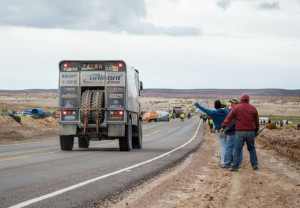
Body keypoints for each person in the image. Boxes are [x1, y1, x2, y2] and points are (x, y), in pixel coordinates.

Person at [221, 93, 259, 172]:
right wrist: (256, 131)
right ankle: (254, 164)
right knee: (252, 148)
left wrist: (223, 126)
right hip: (251, 131)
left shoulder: (236, 108)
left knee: (237, 149)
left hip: (240, 132)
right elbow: (256, 121)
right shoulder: (253, 108)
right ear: (248, 100)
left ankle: (235, 167)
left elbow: (229, 118)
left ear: (241, 99)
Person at [194, 100, 229, 166]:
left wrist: (197, 105)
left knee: (222, 146)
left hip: (220, 131)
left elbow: (205, 110)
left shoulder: (213, 113)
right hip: (228, 130)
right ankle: (228, 161)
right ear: (221, 105)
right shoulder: (226, 111)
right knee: (228, 146)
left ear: (215, 106)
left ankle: (222, 162)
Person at [221, 99, 243, 168]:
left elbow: (231, 123)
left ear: (236, 104)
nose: (231, 104)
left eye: (233, 103)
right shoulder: (240, 110)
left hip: (232, 132)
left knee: (229, 147)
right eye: (231, 103)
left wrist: (225, 129)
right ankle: (238, 163)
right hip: (240, 131)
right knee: (239, 148)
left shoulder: (233, 111)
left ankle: (227, 163)